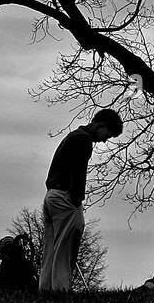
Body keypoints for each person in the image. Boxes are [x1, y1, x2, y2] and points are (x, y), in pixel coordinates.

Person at [39, 108, 123, 293]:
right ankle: (60, 290)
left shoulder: (73, 136)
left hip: (51, 194)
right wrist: (77, 200)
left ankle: (45, 289)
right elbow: (78, 172)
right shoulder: (83, 140)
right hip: (64, 197)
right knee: (66, 246)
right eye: (107, 135)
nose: (104, 140)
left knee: (51, 247)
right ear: (101, 126)